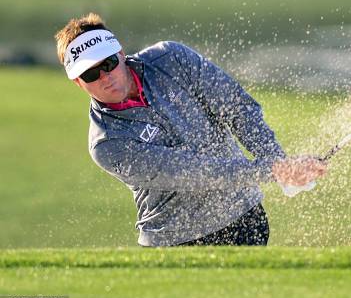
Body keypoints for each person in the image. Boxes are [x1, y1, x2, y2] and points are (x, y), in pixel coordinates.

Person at [54, 13, 326, 247]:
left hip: (244, 216)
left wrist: (275, 159)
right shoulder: (107, 143)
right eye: (91, 74)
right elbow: (191, 172)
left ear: (121, 55)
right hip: (178, 240)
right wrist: (274, 171)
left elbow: (237, 107)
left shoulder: (170, 58)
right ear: (78, 82)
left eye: (109, 64)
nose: (105, 77)